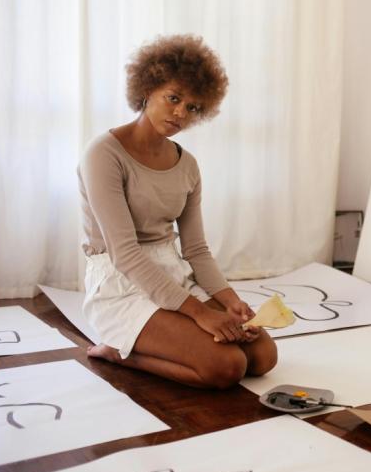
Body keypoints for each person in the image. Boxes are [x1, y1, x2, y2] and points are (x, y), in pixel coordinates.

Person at [78, 34, 277, 389]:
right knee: (226, 367)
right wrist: (201, 314)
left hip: (171, 277)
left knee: (262, 356)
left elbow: (196, 250)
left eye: (193, 107)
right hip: (121, 282)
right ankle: (117, 349)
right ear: (148, 88)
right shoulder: (103, 155)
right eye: (173, 98)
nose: (180, 113)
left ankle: (153, 338)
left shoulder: (188, 165)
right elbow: (125, 254)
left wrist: (229, 302)